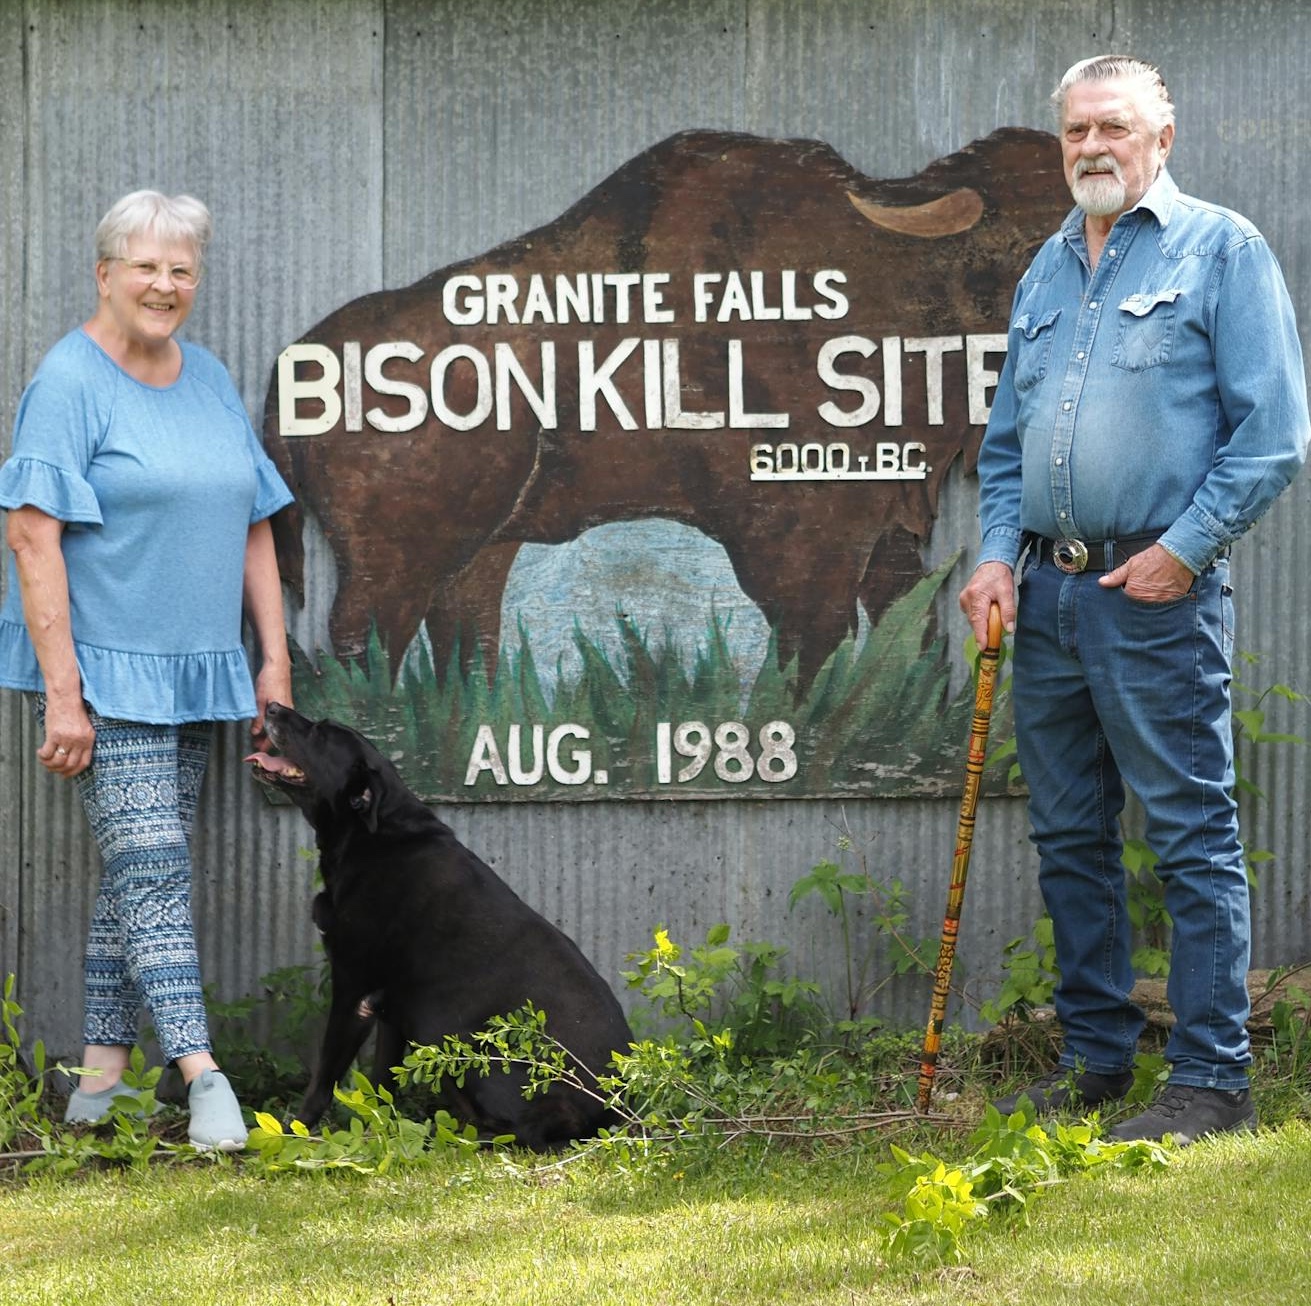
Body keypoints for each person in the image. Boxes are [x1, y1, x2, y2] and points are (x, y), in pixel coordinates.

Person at [959, 56, 1309, 1144]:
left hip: (1153, 597)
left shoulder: (1220, 250)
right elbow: (1006, 448)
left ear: (1162, 136)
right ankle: (1097, 1060)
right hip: (1047, 599)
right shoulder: (1046, 267)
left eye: (1112, 127)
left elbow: (1274, 435)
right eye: (1075, 131)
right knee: (1069, 837)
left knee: (1190, 836)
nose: (1092, 147)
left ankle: (1210, 1080)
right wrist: (995, 557)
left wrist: (1183, 552)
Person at [0, 190, 294, 1150]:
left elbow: (253, 518)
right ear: (105, 274)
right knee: (156, 874)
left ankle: (98, 1085)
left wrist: (273, 659)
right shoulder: (68, 381)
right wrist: (65, 695)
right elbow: (31, 535)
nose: (165, 286)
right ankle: (204, 1077)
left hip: (192, 671)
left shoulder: (206, 377)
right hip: (105, 674)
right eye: (146, 267)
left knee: (136, 878)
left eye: (181, 270)